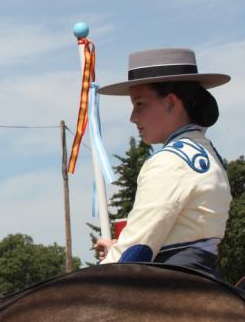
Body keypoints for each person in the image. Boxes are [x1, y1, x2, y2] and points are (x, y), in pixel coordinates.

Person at [94, 48, 231, 277]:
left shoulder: (170, 161)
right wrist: (115, 249)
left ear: (171, 102)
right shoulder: (209, 154)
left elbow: (136, 251)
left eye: (139, 104)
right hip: (207, 280)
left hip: (172, 289)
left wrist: (96, 275)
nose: (132, 117)